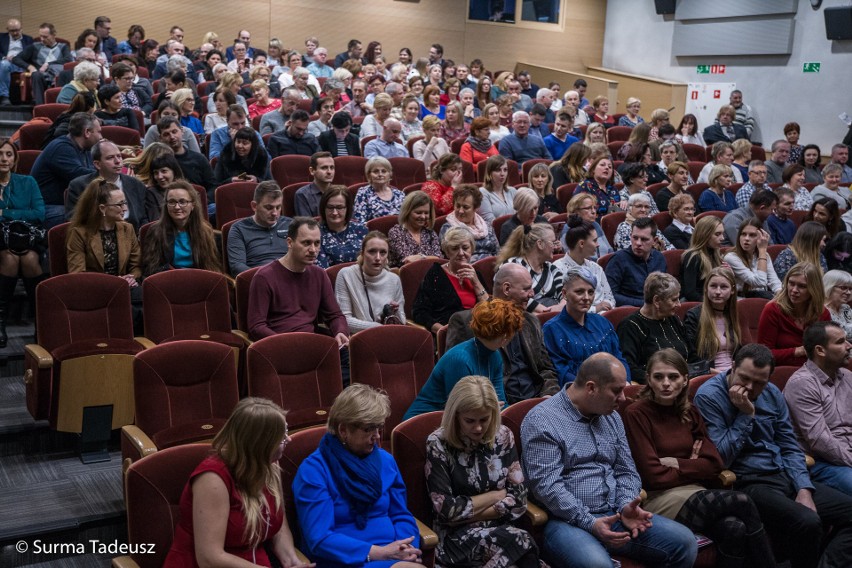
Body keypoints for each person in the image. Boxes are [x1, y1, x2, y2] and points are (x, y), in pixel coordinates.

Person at [522, 352, 698, 568]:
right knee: (597, 565)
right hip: (565, 521)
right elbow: (547, 488)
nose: (623, 398)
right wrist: (591, 523)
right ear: (591, 388)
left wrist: (625, 504)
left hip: (615, 512)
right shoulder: (543, 420)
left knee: (685, 542)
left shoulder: (611, 416)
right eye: (617, 390)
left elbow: (627, 470)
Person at [694, 343, 852, 568]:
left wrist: (804, 488)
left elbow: (789, 445)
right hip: (748, 482)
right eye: (744, 378)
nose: (749, 387)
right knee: (808, 522)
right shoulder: (709, 396)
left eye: (759, 382)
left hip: (783, 473)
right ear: (732, 366)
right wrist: (745, 415)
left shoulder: (771, 393)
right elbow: (721, 457)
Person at [623, 349, 776, 568]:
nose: (666, 383)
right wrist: (695, 464)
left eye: (673, 377)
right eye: (658, 377)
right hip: (659, 498)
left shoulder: (689, 411)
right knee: (741, 501)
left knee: (734, 528)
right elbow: (653, 476)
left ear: (685, 379)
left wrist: (677, 463)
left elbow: (715, 464)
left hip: (696, 491)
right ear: (648, 379)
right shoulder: (636, 413)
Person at [164, 398, 309, 567]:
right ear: (259, 444)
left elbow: (277, 522)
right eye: (281, 437)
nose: (288, 440)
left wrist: (291, 561)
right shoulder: (213, 479)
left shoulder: (269, 464)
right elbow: (209, 558)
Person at [293, 383, 422, 566]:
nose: (377, 436)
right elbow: (320, 538)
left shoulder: (386, 462)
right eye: (368, 429)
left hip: (393, 554)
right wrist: (379, 553)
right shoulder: (314, 471)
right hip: (344, 560)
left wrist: (406, 548)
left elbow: (401, 515)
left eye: (379, 427)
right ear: (343, 430)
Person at [425, 376, 540, 568]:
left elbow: (519, 501)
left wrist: (469, 512)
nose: (478, 428)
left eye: (484, 419)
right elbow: (446, 510)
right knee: (523, 542)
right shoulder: (438, 443)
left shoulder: (503, 436)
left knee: (519, 545)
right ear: (456, 416)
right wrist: (497, 495)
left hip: (501, 530)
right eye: (469, 420)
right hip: (456, 540)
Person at [446, 263, 559, 402]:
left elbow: (546, 370)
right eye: (526, 289)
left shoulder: (531, 321)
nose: (532, 294)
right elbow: (456, 378)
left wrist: (548, 396)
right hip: (494, 406)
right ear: (506, 289)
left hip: (537, 401)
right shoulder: (465, 321)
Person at [406, 299, 524, 419]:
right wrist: (492, 408)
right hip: (424, 423)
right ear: (505, 337)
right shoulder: (460, 360)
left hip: (469, 422)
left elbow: (501, 404)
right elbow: (463, 409)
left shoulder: (495, 355)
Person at [247, 215, 348, 348]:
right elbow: (256, 326)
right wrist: (285, 344)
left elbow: (335, 315)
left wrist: (340, 331)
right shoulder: (264, 277)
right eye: (306, 243)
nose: (313, 250)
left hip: (310, 343)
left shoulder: (319, 275)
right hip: (279, 346)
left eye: (317, 243)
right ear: (289, 243)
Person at [785, 321, 852, 495]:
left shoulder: (847, 376)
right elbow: (819, 441)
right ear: (820, 351)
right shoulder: (802, 384)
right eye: (840, 342)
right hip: (821, 463)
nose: (849, 346)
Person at [66, 179, 142, 321]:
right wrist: (112, 282)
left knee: (150, 300)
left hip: (124, 287)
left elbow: (136, 265)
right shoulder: (79, 233)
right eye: (119, 205)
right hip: (95, 289)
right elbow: (77, 274)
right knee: (129, 311)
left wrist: (131, 277)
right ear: (102, 208)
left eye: (124, 203)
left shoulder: (127, 229)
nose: (125, 209)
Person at [543, 265, 629, 386]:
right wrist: (594, 390)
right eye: (579, 292)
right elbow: (561, 372)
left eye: (591, 292)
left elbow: (619, 358)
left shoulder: (603, 322)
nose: (586, 298)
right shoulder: (552, 329)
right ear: (564, 293)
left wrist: (625, 381)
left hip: (613, 388)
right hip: (579, 394)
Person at [0, 140, 45, 346]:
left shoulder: (28, 182)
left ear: (15, 158)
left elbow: (39, 214)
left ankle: (42, 324)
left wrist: (5, 213)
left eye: (9, 154)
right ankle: (0, 323)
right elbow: (30, 213)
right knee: (9, 259)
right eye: (0, 154)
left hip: (26, 237)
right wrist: (20, 214)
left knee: (29, 259)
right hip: (1, 240)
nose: (4, 159)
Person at [617, 272, 699, 383]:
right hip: (655, 387)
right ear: (656, 301)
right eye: (674, 300)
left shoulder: (673, 319)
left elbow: (692, 355)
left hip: (686, 381)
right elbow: (629, 367)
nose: (679, 305)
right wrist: (659, 380)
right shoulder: (630, 326)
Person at [413, 226, 489, 333]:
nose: (461, 253)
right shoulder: (436, 274)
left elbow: (490, 310)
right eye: (455, 248)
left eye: (465, 248)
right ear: (447, 252)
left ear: (472, 249)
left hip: (477, 331)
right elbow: (419, 312)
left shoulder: (476, 274)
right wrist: (441, 330)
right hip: (450, 333)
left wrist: (476, 283)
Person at [758, 261, 831, 367]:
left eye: (802, 286)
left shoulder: (822, 313)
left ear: (814, 289)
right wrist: (796, 351)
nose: (794, 290)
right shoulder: (773, 310)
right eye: (791, 283)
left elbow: (826, 350)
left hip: (815, 372)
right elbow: (763, 355)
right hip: (780, 371)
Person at [141, 181, 222, 276]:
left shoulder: (206, 231)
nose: (177, 207)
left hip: (199, 281)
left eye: (182, 202)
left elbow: (212, 267)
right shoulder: (156, 231)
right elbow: (150, 268)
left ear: (193, 205)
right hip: (168, 282)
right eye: (171, 202)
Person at [65, 140, 149, 231]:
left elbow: (143, 219)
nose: (117, 161)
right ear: (97, 164)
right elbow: (75, 222)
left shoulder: (136, 184)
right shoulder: (79, 186)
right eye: (110, 158)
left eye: (119, 156)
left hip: (133, 238)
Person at [334, 231, 406, 333]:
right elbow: (344, 321)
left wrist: (395, 313)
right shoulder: (346, 275)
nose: (377, 258)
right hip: (357, 338)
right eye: (372, 251)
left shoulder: (394, 279)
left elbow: (402, 321)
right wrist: (378, 327)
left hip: (388, 336)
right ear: (362, 253)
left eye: (383, 252)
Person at [683, 267, 743, 372]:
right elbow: (692, 357)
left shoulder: (734, 315)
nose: (718, 292)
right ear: (706, 288)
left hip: (735, 373)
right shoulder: (694, 316)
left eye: (724, 287)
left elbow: (741, 353)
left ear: (732, 290)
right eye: (713, 286)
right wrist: (720, 374)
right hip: (709, 375)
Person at [227, 181, 291, 276]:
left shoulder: (291, 225)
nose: (274, 213)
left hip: (290, 277)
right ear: (254, 206)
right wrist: (265, 277)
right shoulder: (239, 229)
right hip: (258, 280)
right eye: (269, 208)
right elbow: (237, 266)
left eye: (278, 207)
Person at [498, 222, 563, 312]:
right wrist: (544, 311)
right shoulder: (512, 265)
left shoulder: (552, 269)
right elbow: (513, 296)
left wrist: (554, 311)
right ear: (540, 244)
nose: (556, 247)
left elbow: (565, 295)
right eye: (552, 242)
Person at [605, 217, 667, 307]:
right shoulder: (618, 259)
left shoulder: (659, 258)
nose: (638, 243)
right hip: (629, 311)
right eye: (635, 238)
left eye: (644, 239)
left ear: (655, 241)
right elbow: (610, 296)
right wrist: (645, 304)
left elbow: (663, 290)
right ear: (630, 236)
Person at [12, 23, 71, 105]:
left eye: (45, 37)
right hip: (41, 75)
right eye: (41, 36)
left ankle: (61, 104)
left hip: (57, 75)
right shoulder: (35, 47)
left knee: (63, 74)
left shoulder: (63, 47)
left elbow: (68, 60)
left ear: (53, 35)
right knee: (36, 75)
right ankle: (40, 106)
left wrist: (48, 64)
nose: (42, 39)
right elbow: (16, 59)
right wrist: (30, 67)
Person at [724, 218, 781, 299]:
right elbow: (759, 282)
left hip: (761, 296)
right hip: (741, 299)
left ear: (761, 237)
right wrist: (762, 250)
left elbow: (774, 281)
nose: (746, 238)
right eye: (743, 234)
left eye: (752, 235)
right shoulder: (731, 257)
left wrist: (782, 295)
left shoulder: (764, 255)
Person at [439, 185, 499, 261]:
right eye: (458, 206)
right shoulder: (448, 229)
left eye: (465, 207)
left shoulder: (486, 226)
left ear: (476, 208)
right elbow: (452, 258)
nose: (460, 211)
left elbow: (497, 252)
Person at [316, 186, 369, 269]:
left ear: (347, 209)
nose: (334, 212)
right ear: (323, 208)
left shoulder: (361, 230)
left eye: (339, 207)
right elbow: (321, 269)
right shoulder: (316, 233)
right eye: (330, 207)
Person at [387, 191, 442, 268]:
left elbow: (439, 259)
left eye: (426, 213)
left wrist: (421, 257)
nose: (423, 217)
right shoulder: (396, 232)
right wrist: (429, 258)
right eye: (418, 213)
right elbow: (407, 261)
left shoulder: (430, 232)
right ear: (407, 212)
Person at [682, 216, 726, 301]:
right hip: (699, 303)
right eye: (717, 234)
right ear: (704, 235)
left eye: (722, 233)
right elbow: (690, 293)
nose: (722, 238)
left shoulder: (716, 254)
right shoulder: (693, 257)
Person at [295, 152, 336, 218]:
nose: (329, 172)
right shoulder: (302, 194)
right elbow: (306, 224)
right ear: (312, 171)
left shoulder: (340, 193)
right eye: (324, 168)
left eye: (332, 167)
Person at [822, 270, 852, 340]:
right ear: (829, 287)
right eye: (843, 288)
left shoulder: (846, 308)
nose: (848, 292)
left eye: (850, 289)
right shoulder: (823, 311)